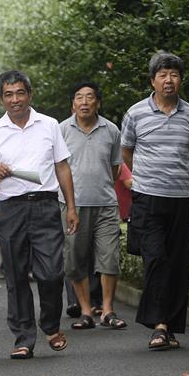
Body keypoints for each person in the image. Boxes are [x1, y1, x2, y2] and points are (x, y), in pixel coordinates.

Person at [0, 70, 78, 360]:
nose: (15, 99)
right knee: (16, 276)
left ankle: (49, 323)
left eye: (20, 93)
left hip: (46, 206)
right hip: (11, 209)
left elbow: (62, 167)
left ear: (29, 95)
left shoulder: (49, 125)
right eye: (8, 94)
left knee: (51, 272)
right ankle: (23, 337)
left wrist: (70, 207)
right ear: (1, 99)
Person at [121, 51, 189, 351]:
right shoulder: (135, 113)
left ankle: (168, 327)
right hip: (147, 198)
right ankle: (158, 325)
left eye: (174, 74)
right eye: (163, 74)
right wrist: (147, 178)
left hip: (181, 198)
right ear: (152, 80)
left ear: (180, 79)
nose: (169, 80)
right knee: (155, 259)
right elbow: (127, 153)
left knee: (177, 264)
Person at [60, 81, 127, 331]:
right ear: (73, 104)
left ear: (98, 102)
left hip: (106, 204)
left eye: (90, 97)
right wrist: (70, 205)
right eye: (79, 97)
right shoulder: (61, 130)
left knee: (110, 258)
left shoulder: (111, 129)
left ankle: (107, 310)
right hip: (72, 206)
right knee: (75, 259)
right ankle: (86, 311)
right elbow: (57, 166)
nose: (84, 102)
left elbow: (115, 168)